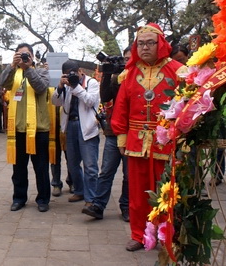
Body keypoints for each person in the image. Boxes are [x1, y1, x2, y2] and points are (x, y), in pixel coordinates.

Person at [111, 23, 186, 251]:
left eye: (149, 43)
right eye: (140, 43)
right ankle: (139, 235)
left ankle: (166, 235)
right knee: (136, 192)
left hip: (166, 141)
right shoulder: (130, 73)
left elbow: (186, 106)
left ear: (161, 44)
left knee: (167, 191)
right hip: (136, 142)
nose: (144, 48)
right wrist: (121, 137)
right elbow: (121, 107)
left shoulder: (178, 70)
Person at [0, 43, 51, 212]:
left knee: (41, 167)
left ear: (32, 57)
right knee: (18, 167)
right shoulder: (14, 73)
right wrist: (11, 66)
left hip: (38, 128)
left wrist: (29, 68)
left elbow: (41, 87)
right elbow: (3, 84)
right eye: (20, 54)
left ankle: (43, 199)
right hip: (18, 128)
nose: (23, 57)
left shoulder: (41, 71)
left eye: (26, 54)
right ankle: (19, 198)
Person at [82, 48, 131, 222]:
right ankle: (98, 205)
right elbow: (105, 97)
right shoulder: (116, 78)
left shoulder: (137, 78)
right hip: (113, 131)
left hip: (132, 132)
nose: (125, 63)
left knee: (129, 174)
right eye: (123, 59)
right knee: (106, 171)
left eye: (128, 60)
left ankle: (126, 207)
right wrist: (108, 74)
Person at [51, 60, 100, 209]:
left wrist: (76, 86)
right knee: (72, 164)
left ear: (80, 71)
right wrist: (60, 87)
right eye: (67, 74)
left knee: (90, 165)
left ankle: (91, 198)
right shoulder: (65, 85)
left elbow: (90, 101)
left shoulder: (91, 83)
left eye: (73, 73)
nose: (71, 76)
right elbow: (55, 102)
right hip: (70, 126)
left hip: (87, 126)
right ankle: (79, 190)